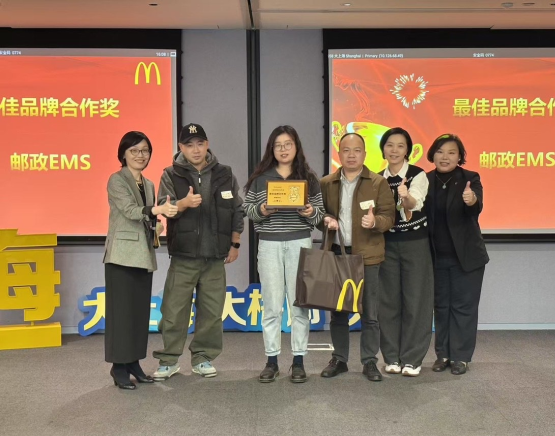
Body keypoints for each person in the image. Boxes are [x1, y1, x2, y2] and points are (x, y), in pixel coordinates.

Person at [152, 123, 244, 380]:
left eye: (200, 144)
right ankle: (169, 360)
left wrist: (235, 243)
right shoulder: (171, 174)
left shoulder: (225, 173)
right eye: (190, 145)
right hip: (184, 255)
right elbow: (164, 207)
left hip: (215, 256)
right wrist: (184, 203)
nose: (196, 150)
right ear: (181, 147)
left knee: (212, 312)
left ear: (207, 145)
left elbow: (237, 210)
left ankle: (203, 357)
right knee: (173, 311)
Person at [243, 125, 325, 383]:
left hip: (300, 242)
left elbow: (320, 215)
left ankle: (298, 361)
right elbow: (248, 209)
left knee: (299, 305)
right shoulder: (261, 178)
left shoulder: (308, 178)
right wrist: (263, 210)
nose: (283, 149)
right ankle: (272, 361)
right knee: (271, 305)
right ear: (272, 149)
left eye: (288, 144)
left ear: (296, 147)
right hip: (269, 245)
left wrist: (310, 212)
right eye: (278, 145)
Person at [103, 131, 178, 390]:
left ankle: (133, 362)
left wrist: (156, 225)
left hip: (143, 255)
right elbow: (130, 211)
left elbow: (147, 217)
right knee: (121, 315)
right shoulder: (116, 180)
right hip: (121, 256)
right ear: (123, 154)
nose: (140, 155)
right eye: (134, 150)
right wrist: (157, 210)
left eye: (145, 150)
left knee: (138, 313)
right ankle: (118, 367)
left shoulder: (148, 184)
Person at [318, 132, 395, 381]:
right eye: (346, 150)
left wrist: (375, 222)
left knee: (370, 313)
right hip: (338, 253)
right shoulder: (326, 182)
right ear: (339, 153)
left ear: (365, 153)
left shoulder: (378, 182)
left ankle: (369, 361)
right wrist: (325, 220)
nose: (351, 155)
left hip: (368, 256)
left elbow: (389, 218)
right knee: (338, 311)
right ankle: (339, 359)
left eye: (357, 150)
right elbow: (319, 216)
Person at [425, 133, 489, 375]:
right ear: (433, 154)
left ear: (459, 156)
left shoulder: (470, 178)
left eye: (451, 152)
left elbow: (476, 207)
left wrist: (471, 200)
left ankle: (461, 357)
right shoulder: (425, 180)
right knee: (441, 306)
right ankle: (442, 354)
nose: (445, 157)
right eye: (440, 151)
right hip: (435, 256)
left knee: (464, 307)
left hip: (467, 257)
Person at [377, 127, 434, 377]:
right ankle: (391, 356)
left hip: (415, 243)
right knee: (388, 301)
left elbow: (415, 203)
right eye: (390, 145)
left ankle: (412, 358)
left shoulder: (417, 174)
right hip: (386, 244)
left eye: (400, 146)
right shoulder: (377, 178)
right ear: (383, 149)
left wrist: (405, 196)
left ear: (408, 150)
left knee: (416, 300)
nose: (394, 150)